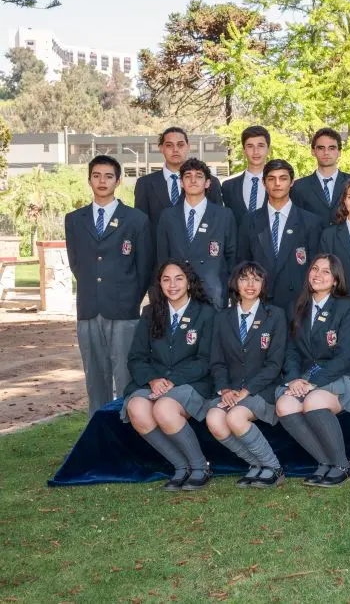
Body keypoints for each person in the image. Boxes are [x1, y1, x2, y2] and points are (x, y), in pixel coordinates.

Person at [65, 155, 152, 415]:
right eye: (96, 175)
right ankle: (98, 435)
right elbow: (76, 264)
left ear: (118, 180)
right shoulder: (74, 219)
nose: (102, 181)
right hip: (89, 308)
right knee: (95, 379)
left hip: (124, 310)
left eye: (108, 176)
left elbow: (145, 267)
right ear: (89, 179)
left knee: (126, 377)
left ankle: (129, 433)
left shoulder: (136, 219)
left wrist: (130, 299)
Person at [122, 260, 215, 491]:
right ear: (160, 284)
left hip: (191, 382)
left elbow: (207, 360)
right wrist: (154, 380)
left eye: (179, 278)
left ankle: (200, 466)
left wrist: (172, 381)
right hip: (154, 380)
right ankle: (181, 467)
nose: (172, 285)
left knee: (163, 408)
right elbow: (136, 357)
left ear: (189, 282)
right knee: (137, 408)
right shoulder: (151, 312)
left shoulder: (207, 313)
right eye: (166, 279)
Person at [276, 254, 350, 487]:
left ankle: (344, 466)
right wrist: (295, 378)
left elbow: (347, 353)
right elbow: (292, 350)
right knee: (284, 405)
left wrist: (314, 382)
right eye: (315, 269)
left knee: (313, 401)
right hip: (307, 377)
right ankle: (325, 463)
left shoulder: (345, 307)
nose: (318, 275)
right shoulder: (298, 306)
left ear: (336, 280)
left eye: (326, 271)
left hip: (341, 376)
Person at [206, 262, 287, 488]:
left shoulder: (275, 315)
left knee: (234, 417)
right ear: (235, 283)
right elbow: (217, 361)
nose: (250, 284)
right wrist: (225, 389)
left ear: (264, 284)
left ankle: (274, 467)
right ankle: (257, 464)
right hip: (231, 389)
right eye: (244, 279)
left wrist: (246, 391)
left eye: (256, 279)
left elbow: (274, 364)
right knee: (214, 419)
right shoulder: (222, 318)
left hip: (263, 389)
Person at [237, 159, 322, 315]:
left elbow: (315, 265)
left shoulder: (310, 222)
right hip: (259, 302)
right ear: (264, 183)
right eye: (271, 178)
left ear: (292, 182)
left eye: (283, 178)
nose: (277, 183)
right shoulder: (249, 220)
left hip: (298, 304)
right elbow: (242, 262)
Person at [155, 158, 237, 310]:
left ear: (207, 183)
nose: (193, 180)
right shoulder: (168, 216)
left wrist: (231, 293)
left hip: (213, 295)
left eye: (199, 176)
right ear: (181, 182)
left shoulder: (224, 215)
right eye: (187, 176)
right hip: (177, 294)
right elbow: (162, 258)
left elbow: (231, 257)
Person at [135, 126, 222, 250]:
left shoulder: (210, 182)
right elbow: (141, 228)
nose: (175, 149)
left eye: (180, 145)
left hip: (201, 258)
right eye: (169, 145)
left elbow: (218, 222)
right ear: (161, 148)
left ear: (188, 147)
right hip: (158, 258)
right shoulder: (145, 184)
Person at [290, 128, 350, 228]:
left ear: (339, 152)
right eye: (321, 148)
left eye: (332, 148)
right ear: (313, 151)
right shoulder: (298, 187)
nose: (326, 152)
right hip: (311, 243)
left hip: (347, 243)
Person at [221, 125, 270, 230]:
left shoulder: (281, 186)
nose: (255, 151)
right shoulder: (228, 187)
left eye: (260, 145)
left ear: (268, 150)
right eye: (250, 146)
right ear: (244, 151)